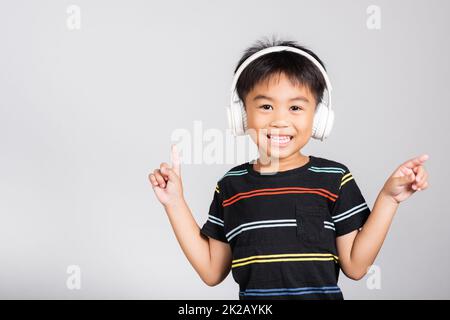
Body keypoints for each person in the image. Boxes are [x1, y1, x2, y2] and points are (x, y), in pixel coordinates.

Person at [148, 37, 429, 300]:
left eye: (295, 108)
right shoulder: (230, 186)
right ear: (242, 115)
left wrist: (389, 200)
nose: (280, 120)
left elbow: (356, 267)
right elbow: (211, 272)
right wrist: (174, 203)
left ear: (318, 118)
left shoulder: (335, 179)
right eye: (266, 106)